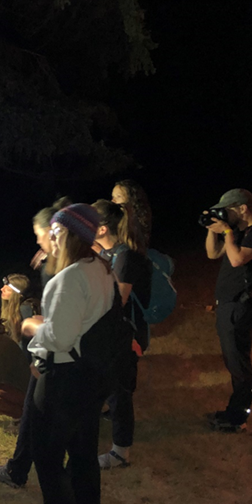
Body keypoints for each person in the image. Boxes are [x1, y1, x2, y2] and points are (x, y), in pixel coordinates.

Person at [22, 204, 115, 504]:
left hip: (65, 376)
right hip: (90, 374)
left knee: (46, 454)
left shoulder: (72, 276)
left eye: (57, 233)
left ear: (72, 235)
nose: (52, 239)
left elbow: (59, 337)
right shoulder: (100, 267)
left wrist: (30, 326)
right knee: (81, 454)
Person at [0, 199, 69, 491]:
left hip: (55, 355)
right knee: (38, 416)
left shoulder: (63, 272)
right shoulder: (69, 265)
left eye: (39, 233)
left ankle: (27, 472)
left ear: (54, 232)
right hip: (57, 355)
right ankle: (20, 469)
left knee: (41, 419)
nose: (36, 240)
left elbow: (59, 320)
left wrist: (32, 328)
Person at [204, 189, 252, 432]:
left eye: (228, 209)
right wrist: (213, 230)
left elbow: (236, 260)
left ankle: (237, 419)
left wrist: (226, 232)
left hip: (242, 306)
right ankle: (233, 412)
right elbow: (213, 253)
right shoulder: (239, 233)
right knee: (233, 360)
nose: (225, 214)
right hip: (229, 304)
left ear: (243, 208)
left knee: (238, 363)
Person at [92, 199, 152, 468]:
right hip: (110, 334)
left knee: (119, 393)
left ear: (103, 229)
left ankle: (120, 452)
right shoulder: (108, 253)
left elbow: (118, 299)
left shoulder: (125, 256)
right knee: (106, 388)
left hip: (124, 336)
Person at [112, 180, 152, 248]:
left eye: (118, 196)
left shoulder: (137, 221)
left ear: (131, 198)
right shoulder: (114, 218)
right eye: (113, 197)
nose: (113, 201)